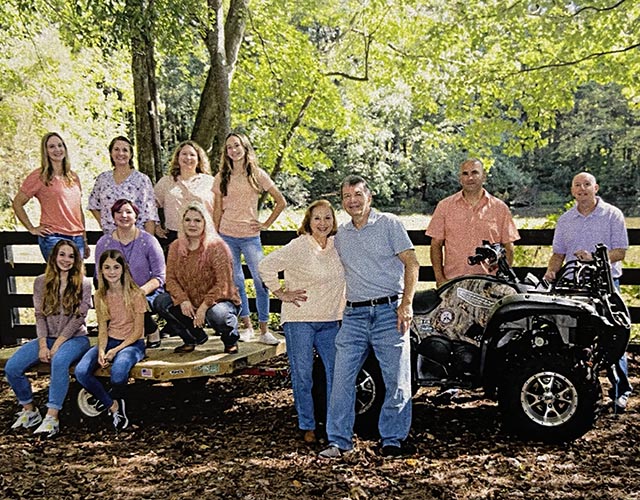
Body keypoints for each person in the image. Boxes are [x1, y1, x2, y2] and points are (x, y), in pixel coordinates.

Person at [319, 175, 420, 459]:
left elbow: (412, 263)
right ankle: (338, 441)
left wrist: (406, 303)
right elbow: (313, 251)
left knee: (397, 379)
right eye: (347, 196)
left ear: (369, 196)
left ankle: (393, 440)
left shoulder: (389, 224)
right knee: (340, 379)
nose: (352, 200)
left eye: (358, 194)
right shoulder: (341, 236)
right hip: (354, 315)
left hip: (390, 312)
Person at [259, 200, 346, 444]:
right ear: (308, 221)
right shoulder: (298, 246)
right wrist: (280, 292)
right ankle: (307, 424)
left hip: (331, 320)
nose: (322, 223)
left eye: (327, 218)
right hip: (300, 319)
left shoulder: (337, 246)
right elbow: (266, 265)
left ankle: (332, 425)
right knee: (303, 373)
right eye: (317, 218)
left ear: (333, 221)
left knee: (336, 374)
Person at [543, 172, 631, 412]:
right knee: (573, 339)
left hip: (605, 284)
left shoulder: (612, 215)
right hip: (572, 286)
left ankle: (619, 392)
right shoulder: (565, 219)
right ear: (572, 191)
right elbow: (559, 254)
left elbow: (620, 252)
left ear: (596, 187)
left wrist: (594, 258)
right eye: (577, 185)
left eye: (587, 184)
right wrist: (551, 271)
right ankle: (579, 389)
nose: (582, 189)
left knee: (612, 336)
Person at [6, 240, 91, 437]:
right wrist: (43, 345)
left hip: (75, 339)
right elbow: (39, 315)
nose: (66, 260)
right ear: (54, 256)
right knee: (13, 367)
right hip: (48, 338)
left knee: (59, 361)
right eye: (62, 254)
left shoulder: (84, 283)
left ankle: (52, 417)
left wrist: (58, 344)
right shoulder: (40, 281)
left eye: (71, 256)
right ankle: (29, 410)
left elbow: (79, 319)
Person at [213, 132, 287, 345]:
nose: (233, 150)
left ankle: (264, 330)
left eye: (237, 146)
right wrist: (216, 235)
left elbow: (280, 201)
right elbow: (217, 208)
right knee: (237, 283)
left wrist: (266, 224)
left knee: (260, 280)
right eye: (229, 147)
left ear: (245, 148)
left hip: (250, 237)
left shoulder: (257, 174)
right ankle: (247, 327)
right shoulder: (222, 177)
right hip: (227, 236)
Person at [74, 249, 147, 431]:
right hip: (110, 340)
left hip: (132, 343)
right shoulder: (100, 295)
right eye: (107, 267)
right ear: (101, 270)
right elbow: (103, 328)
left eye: (116, 267)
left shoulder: (136, 294)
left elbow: (138, 331)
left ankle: (117, 406)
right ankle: (112, 405)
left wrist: (116, 350)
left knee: (118, 371)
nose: (111, 272)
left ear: (123, 269)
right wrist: (101, 350)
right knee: (81, 371)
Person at [154, 202, 242, 354]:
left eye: (197, 220)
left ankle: (230, 339)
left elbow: (223, 284)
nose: (192, 224)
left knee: (218, 314)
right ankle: (192, 338)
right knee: (161, 302)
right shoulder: (176, 246)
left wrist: (204, 306)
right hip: (190, 300)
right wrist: (183, 299)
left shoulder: (217, 247)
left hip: (219, 301)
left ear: (205, 223)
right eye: (187, 220)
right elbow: (171, 279)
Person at [425, 158, 520, 286]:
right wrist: (440, 279)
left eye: (475, 173)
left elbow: (509, 247)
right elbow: (435, 245)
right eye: (465, 174)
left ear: (484, 176)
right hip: (453, 282)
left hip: (489, 283)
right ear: (460, 178)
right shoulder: (444, 206)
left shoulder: (500, 208)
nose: (470, 178)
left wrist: (501, 280)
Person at [94, 199, 166, 348]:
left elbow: (160, 276)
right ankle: (114, 335)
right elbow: (99, 273)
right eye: (119, 212)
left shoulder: (149, 241)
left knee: (133, 298)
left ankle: (151, 329)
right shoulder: (104, 242)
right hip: (115, 290)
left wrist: (140, 291)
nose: (124, 215)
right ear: (113, 216)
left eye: (128, 212)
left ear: (136, 216)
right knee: (118, 297)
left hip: (146, 291)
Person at [13, 132, 89, 260]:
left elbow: (78, 210)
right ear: (45, 151)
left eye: (60, 145)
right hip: (54, 237)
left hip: (77, 237)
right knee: (58, 278)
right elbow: (17, 203)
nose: (57, 150)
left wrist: (84, 238)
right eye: (52, 146)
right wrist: (31, 228)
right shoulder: (39, 176)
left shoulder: (73, 177)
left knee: (76, 279)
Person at [88, 135, 158, 235]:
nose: (120, 153)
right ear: (111, 153)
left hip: (136, 237)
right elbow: (93, 204)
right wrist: (103, 223)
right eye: (116, 149)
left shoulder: (142, 180)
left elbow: (150, 214)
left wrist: (148, 242)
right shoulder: (103, 179)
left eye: (125, 150)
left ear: (130, 154)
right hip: (111, 237)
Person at [154, 140, 214, 254]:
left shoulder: (209, 181)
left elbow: (220, 207)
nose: (188, 158)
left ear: (199, 159)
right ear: (177, 158)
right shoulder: (166, 182)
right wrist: (156, 225)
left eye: (192, 155)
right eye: (184, 154)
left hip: (203, 237)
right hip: (173, 236)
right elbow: (150, 205)